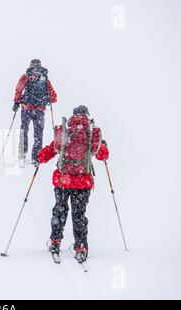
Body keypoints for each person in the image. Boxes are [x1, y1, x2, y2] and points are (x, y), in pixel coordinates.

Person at [37, 105, 109, 263]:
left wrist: (40, 158)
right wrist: (103, 145)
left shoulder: (65, 129)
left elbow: (52, 149)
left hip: (63, 180)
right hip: (83, 183)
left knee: (60, 211)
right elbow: (103, 156)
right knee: (79, 215)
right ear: (87, 116)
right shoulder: (92, 133)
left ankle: (55, 242)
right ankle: (80, 246)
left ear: (73, 115)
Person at [13, 59, 57, 166]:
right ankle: (36, 157)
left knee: (24, 129)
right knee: (38, 134)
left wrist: (16, 102)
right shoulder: (45, 78)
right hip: (40, 110)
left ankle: (22, 153)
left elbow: (19, 89)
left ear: (30, 66)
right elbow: (54, 97)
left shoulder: (26, 76)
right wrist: (48, 100)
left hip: (26, 108)